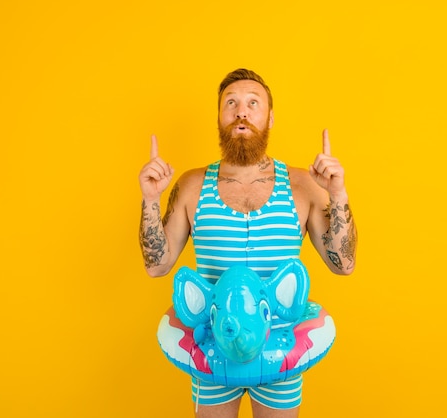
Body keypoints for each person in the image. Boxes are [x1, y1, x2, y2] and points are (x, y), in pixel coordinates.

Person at [139, 68, 357, 418]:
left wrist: (338, 192)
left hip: (280, 349)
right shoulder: (192, 185)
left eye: (253, 103)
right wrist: (150, 199)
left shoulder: (303, 184)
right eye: (231, 103)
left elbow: (343, 265)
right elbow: (157, 265)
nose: (242, 111)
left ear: (269, 117)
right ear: (220, 117)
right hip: (212, 349)